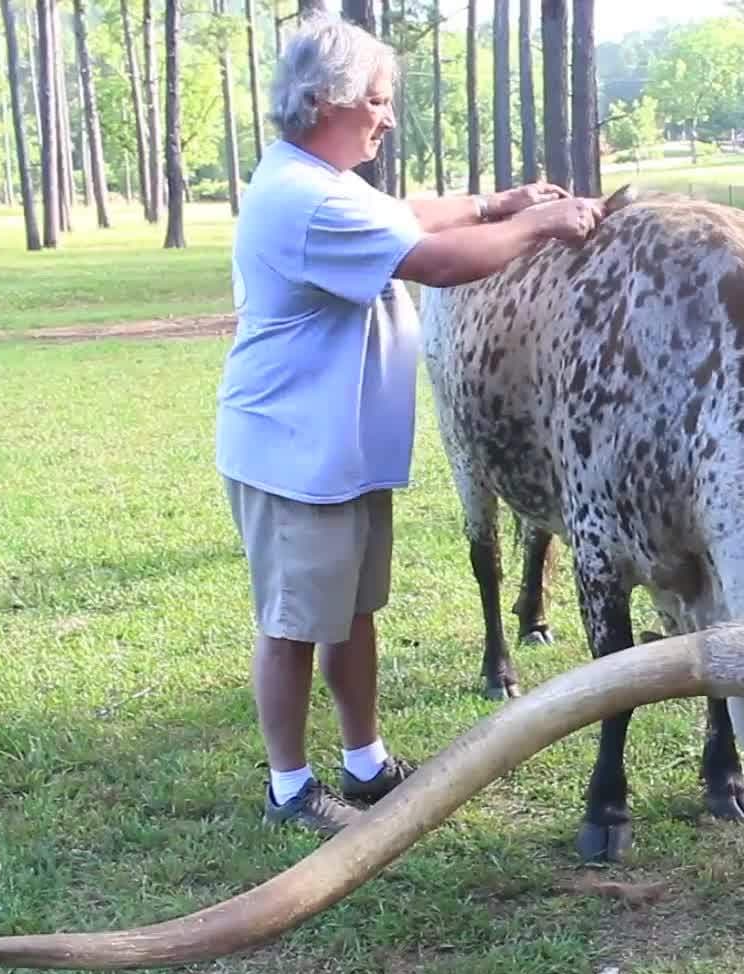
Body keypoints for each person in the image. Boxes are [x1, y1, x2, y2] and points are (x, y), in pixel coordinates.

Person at [216, 14, 600, 837]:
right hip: (294, 457)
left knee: (352, 613)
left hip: (340, 452)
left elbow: (409, 214)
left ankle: (365, 765)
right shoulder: (305, 200)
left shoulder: (326, 179)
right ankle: (289, 787)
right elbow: (437, 260)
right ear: (330, 100)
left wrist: (500, 200)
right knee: (291, 625)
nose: (389, 117)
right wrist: (540, 224)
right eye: (380, 102)